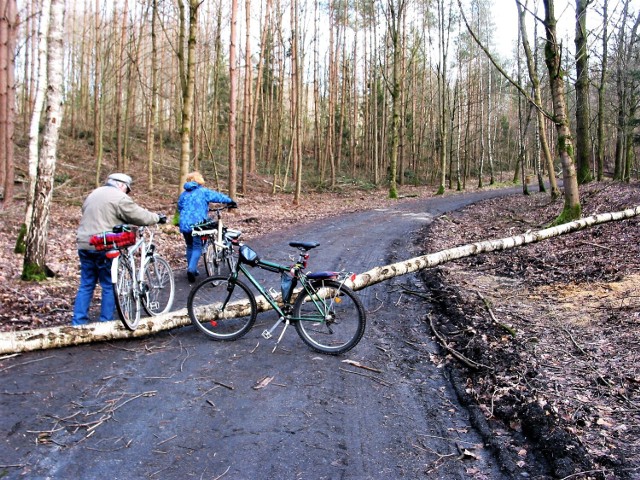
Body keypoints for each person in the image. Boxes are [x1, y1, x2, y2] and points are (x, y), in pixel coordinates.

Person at [72, 173, 166, 326]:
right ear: (121, 185)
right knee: (109, 284)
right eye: (127, 189)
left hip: (84, 243)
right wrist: (156, 217)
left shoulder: (93, 194)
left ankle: (78, 322)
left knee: (86, 283)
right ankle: (106, 323)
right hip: (104, 244)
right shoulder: (118, 197)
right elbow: (138, 216)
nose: (126, 192)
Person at [177, 171, 236, 283]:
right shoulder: (203, 192)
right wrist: (230, 201)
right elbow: (217, 197)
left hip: (184, 223)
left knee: (189, 246)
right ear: (198, 180)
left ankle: (191, 269)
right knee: (197, 246)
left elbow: (179, 207)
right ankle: (191, 269)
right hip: (197, 223)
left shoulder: (183, 194)